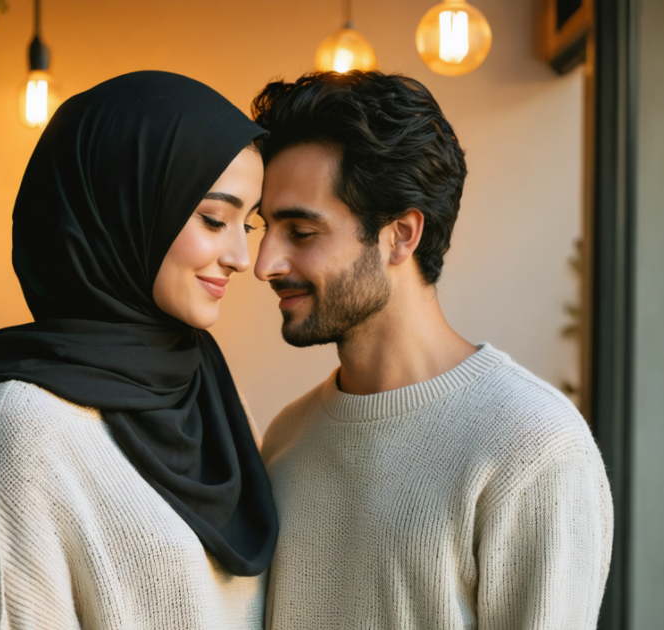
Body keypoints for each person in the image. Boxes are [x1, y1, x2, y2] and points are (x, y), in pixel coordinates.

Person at [0, 71, 277, 630]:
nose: (240, 257)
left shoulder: (212, 389)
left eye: (246, 225)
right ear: (121, 207)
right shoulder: (25, 422)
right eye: (213, 218)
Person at [251, 71, 613, 629]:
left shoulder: (532, 445)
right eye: (265, 228)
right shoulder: (286, 439)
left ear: (401, 234)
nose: (265, 263)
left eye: (300, 232)